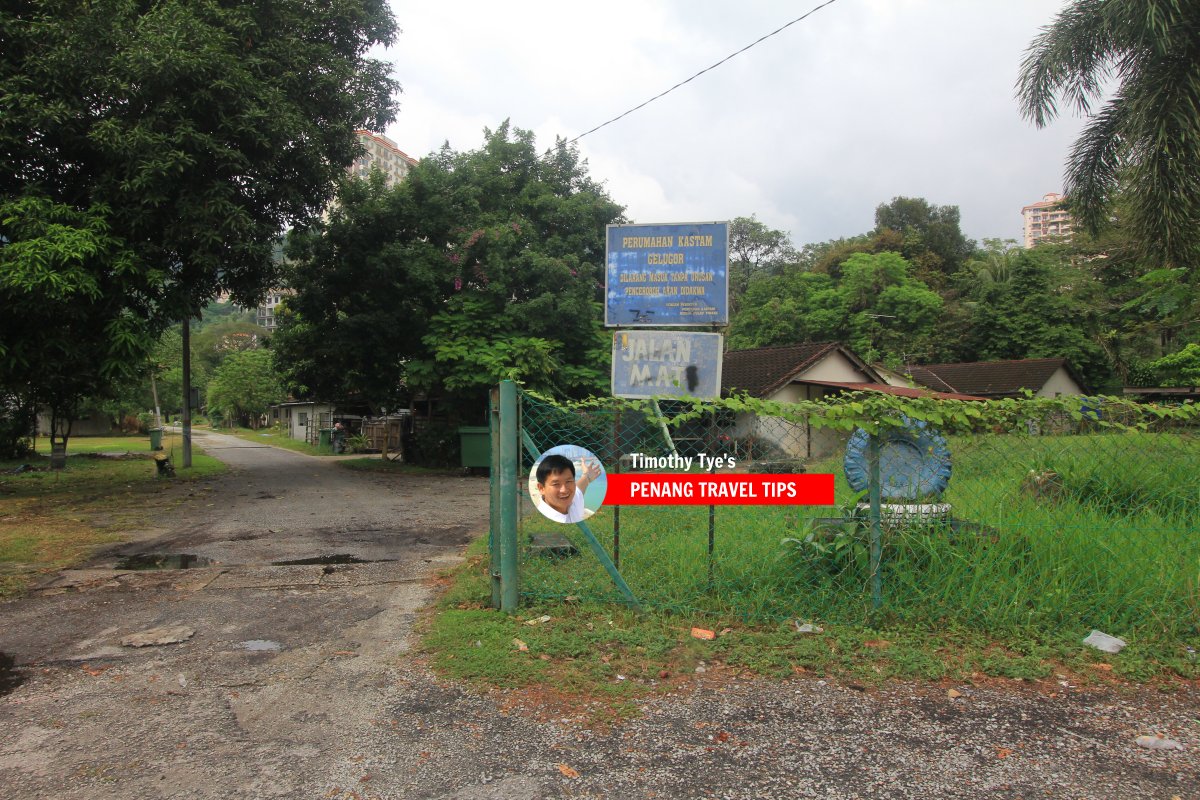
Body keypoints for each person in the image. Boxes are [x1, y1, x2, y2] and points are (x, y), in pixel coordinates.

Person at [534, 453, 602, 523]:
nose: (564, 490)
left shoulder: (573, 500)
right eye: (556, 484)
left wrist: (587, 476)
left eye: (568, 481)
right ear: (541, 488)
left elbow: (580, 487)